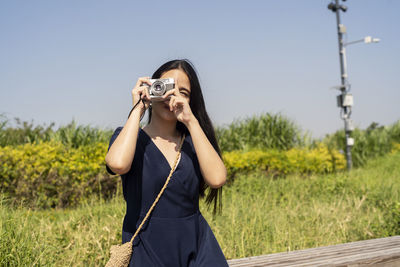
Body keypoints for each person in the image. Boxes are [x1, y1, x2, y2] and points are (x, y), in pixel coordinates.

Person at [105, 59, 229, 266]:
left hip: (197, 248)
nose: (172, 96)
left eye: (184, 92)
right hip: (146, 247)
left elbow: (217, 179)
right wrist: (138, 108)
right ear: (151, 88)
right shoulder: (128, 138)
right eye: (166, 87)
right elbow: (118, 164)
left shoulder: (193, 141)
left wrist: (191, 120)